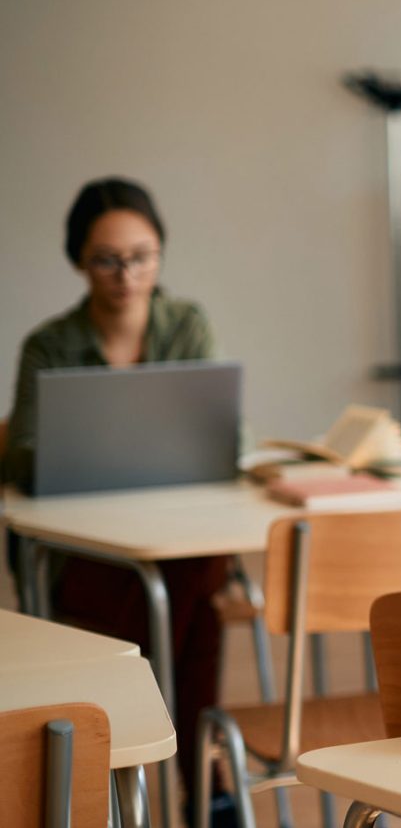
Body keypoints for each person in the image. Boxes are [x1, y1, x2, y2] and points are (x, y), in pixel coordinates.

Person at [2, 177, 236, 824]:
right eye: (109, 258)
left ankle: (121, 746)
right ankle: (205, 780)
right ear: (80, 259)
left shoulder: (186, 324)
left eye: (142, 255)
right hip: (86, 552)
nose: (127, 273)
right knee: (198, 608)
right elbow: (18, 454)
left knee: (189, 575)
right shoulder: (48, 345)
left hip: (176, 536)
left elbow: (221, 434)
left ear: (160, 252)